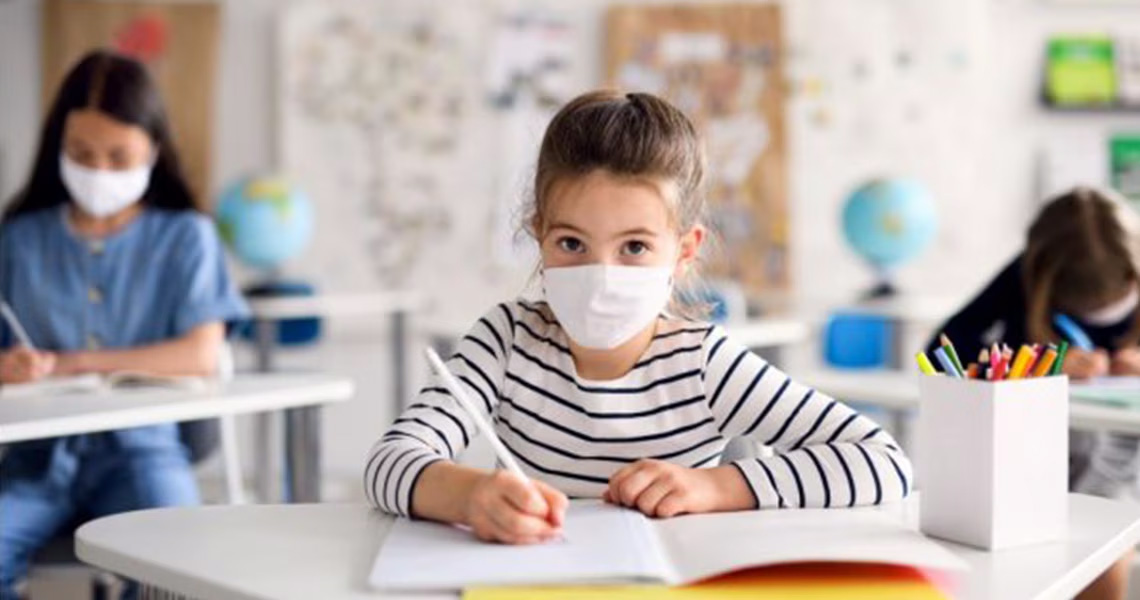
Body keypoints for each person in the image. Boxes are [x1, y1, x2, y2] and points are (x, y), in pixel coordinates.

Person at [364, 90, 912, 544]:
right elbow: (389, 461)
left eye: (634, 247)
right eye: (572, 242)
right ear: (540, 237)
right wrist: (471, 495)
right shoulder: (505, 341)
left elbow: (884, 464)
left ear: (684, 249)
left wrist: (714, 488)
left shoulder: (703, 363)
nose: (600, 274)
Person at [0, 50, 247, 598]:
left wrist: (75, 362)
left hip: (143, 452)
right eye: (81, 155)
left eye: (118, 156)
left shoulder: (187, 237)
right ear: (57, 149)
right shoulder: (18, 239)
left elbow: (200, 355)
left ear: (153, 151)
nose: (99, 172)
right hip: (35, 459)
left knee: (180, 568)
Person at [928, 186, 1140, 600]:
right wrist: (1042, 361)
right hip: (1034, 453)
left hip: (1121, 459)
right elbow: (943, 349)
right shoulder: (1023, 275)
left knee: (1101, 522)